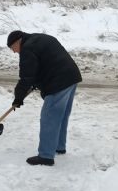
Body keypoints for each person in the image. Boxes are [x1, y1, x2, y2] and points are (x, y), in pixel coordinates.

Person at [7, 29, 82, 166]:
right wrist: (37, 82)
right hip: (71, 77)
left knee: (49, 117)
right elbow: (44, 64)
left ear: (17, 41)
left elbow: (26, 77)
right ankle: (59, 146)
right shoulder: (39, 38)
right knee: (61, 115)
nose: (14, 52)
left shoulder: (27, 49)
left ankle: (46, 156)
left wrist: (18, 97)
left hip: (58, 82)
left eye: (13, 48)